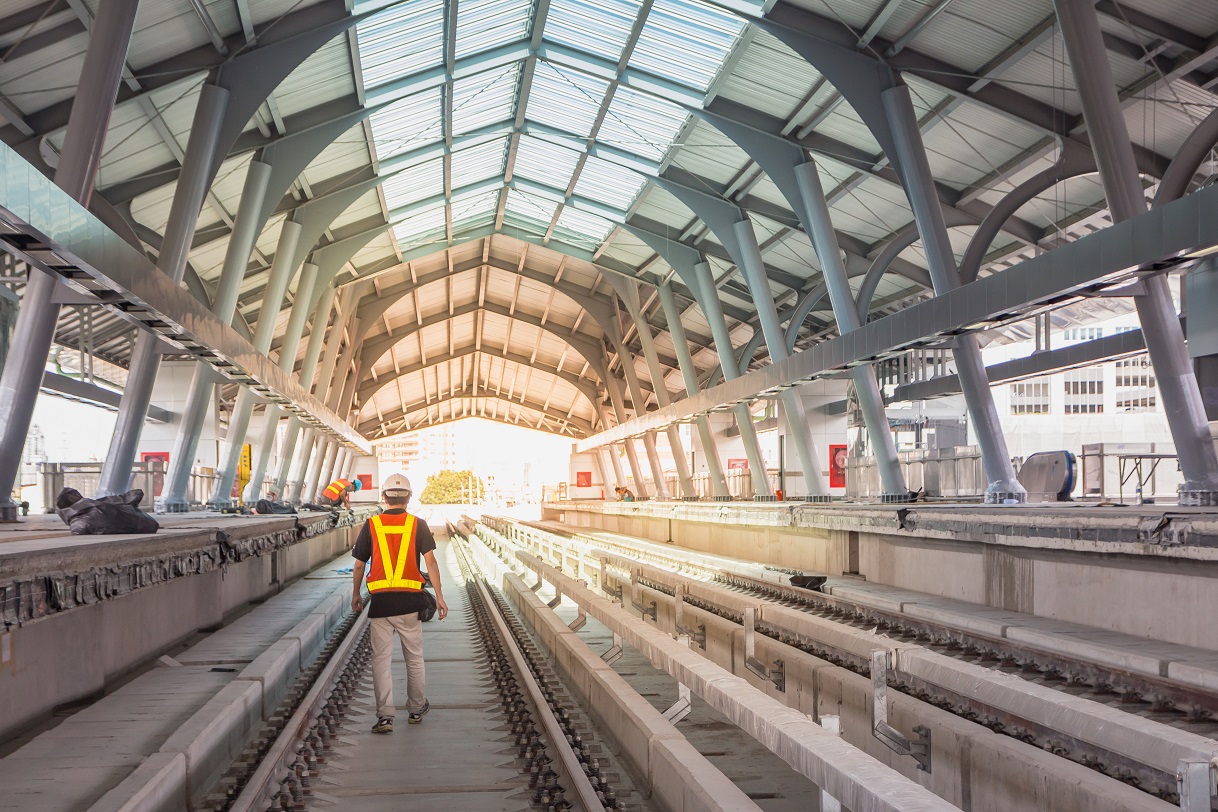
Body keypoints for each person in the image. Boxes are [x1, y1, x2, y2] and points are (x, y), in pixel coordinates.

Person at [350, 473, 448, 734]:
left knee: (380, 660)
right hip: (409, 603)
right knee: (414, 659)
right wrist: (438, 596)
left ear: (384, 497)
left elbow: (359, 564)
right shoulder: (419, 525)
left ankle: (385, 717)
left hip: (381, 603)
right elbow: (431, 562)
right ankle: (416, 710)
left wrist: (356, 594)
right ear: (409, 497)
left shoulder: (371, 525)